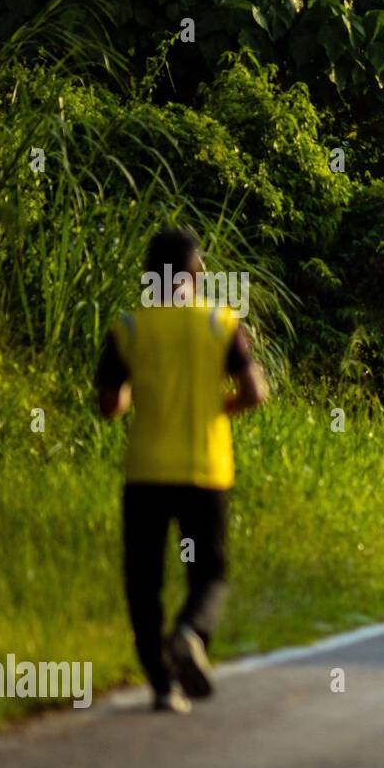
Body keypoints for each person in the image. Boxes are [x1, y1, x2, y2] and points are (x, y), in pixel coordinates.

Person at [96, 228, 268, 714]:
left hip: (146, 473)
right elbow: (254, 390)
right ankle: (189, 634)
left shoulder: (129, 328)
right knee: (209, 574)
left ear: (150, 277)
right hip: (206, 471)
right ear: (198, 276)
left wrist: (136, 396)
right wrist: (218, 408)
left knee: (143, 581)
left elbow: (110, 404)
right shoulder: (221, 324)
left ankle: (162, 686)